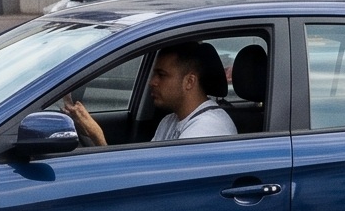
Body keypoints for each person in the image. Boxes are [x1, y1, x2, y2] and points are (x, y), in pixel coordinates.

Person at [62, 40, 237, 148]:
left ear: (189, 81)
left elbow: (159, 187)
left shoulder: (207, 129)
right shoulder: (170, 121)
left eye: (162, 75)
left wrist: (98, 137)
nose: (152, 82)